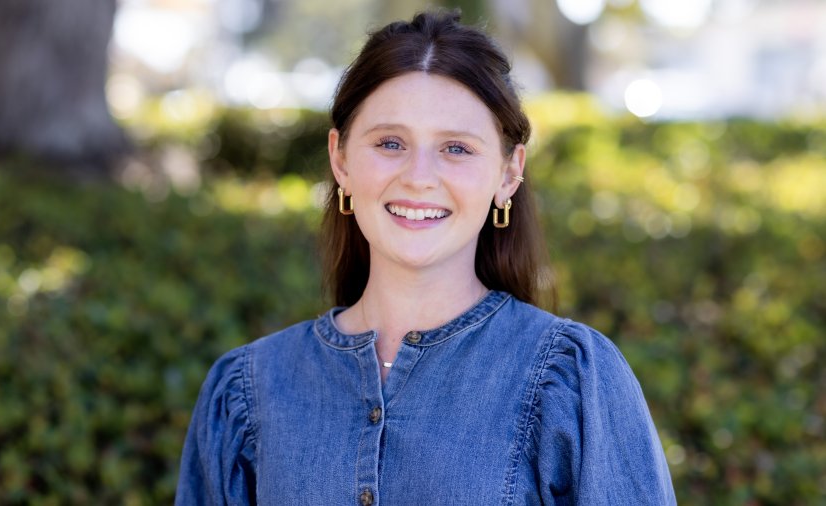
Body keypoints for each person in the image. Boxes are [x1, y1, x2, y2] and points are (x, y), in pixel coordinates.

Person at [176, 10, 676, 505]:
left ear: (508, 174)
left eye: (456, 148)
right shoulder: (247, 391)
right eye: (390, 143)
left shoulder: (571, 381)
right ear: (340, 159)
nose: (418, 177)